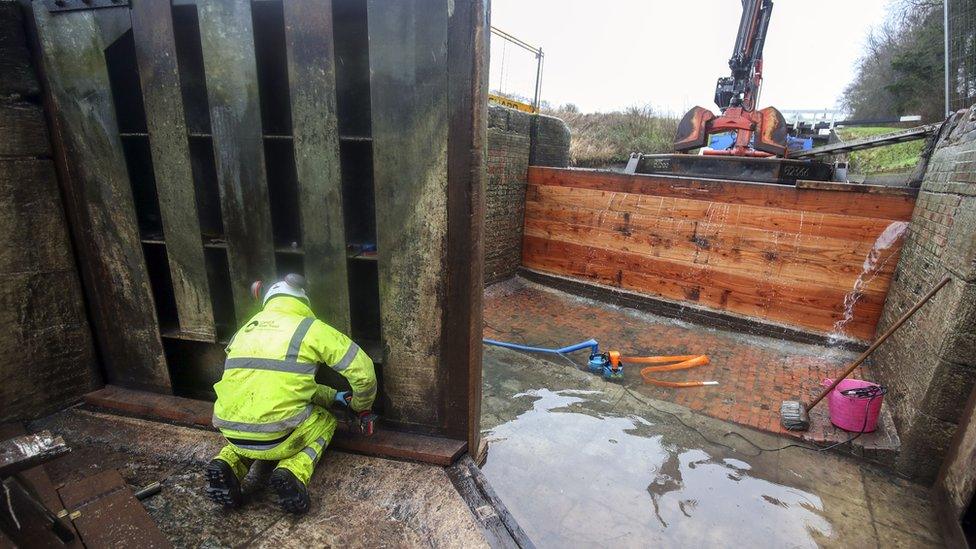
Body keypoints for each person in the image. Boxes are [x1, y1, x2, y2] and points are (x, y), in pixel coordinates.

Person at [205, 274, 377, 514]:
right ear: (302, 300)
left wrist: (332, 395)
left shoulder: (244, 331)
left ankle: (226, 464)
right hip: (279, 436)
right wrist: (360, 405)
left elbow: (279, 382)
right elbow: (364, 372)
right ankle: (293, 471)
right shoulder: (309, 328)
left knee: (250, 429)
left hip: (232, 431)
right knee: (325, 421)